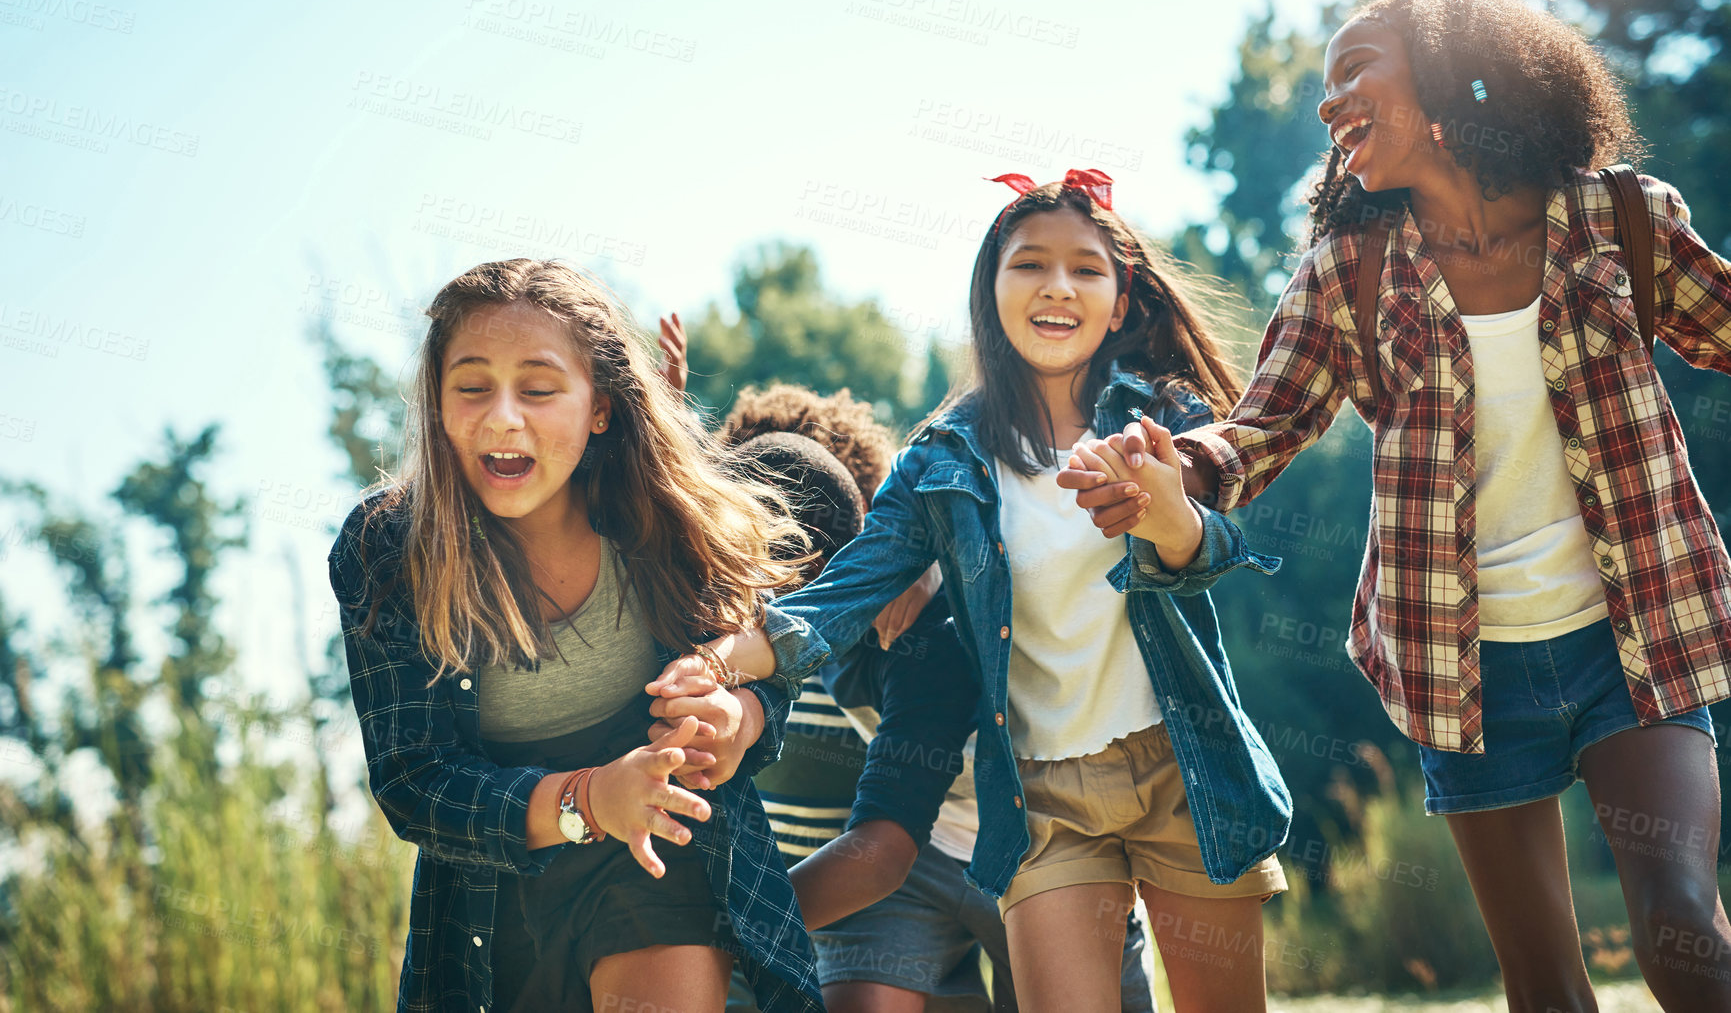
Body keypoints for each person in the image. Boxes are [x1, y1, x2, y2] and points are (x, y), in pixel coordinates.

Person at [1068, 0, 1731, 1012]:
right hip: (1465, 671)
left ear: (1449, 74)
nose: (1330, 110)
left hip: (1633, 634)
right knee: (1546, 988)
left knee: (1684, 921)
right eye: (1323, 97)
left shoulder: (1617, 220)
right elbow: (1257, 432)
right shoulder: (1350, 273)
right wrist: (1171, 466)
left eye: (1351, 78)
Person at [709, 169, 1293, 1013]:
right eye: (1029, 264)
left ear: (1121, 301)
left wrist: (1168, 519)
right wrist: (721, 661)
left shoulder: (1160, 417)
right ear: (991, 288)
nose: (1057, 286)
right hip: (1043, 796)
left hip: (1184, 764)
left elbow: (1219, 545)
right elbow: (835, 596)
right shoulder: (940, 460)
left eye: (1085, 269)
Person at [327, 258, 830, 1013]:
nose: (502, 416)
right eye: (471, 386)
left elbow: (762, 674)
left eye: (537, 388)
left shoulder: (665, 519)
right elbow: (414, 782)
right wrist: (592, 798)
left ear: (599, 406)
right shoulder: (386, 547)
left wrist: (740, 718)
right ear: (436, 403)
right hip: (490, 906)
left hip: (662, 859)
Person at [698, 384, 1157, 1013]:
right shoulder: (776, 629)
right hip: (925, 852)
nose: (746, 613)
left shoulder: (928, 623)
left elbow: (882, 852)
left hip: (1047, 840)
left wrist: (715, 929)